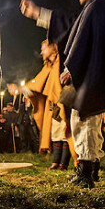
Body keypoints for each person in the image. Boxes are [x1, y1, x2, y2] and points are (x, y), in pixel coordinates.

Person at [21, 0, 105, 188]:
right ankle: (90, 169)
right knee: (89, 123)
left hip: (88, 77)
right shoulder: (100, 7)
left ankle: (85, 173)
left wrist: (71, 68)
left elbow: (80, 37)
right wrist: (40, 14)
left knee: (82, 120)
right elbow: (74, 27)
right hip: (93, 75)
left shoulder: (95, 7)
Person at [26, 40, 76, 169]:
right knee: (56, 134)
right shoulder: (49, 66)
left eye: (44, 48)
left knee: (66, 134)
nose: (42, 52)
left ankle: (64, 163)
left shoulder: (62, 63)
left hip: (65, 103)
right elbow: (39, 83)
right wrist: (26, 89)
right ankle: (55, 162)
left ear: (53, 48)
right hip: (53, 106)